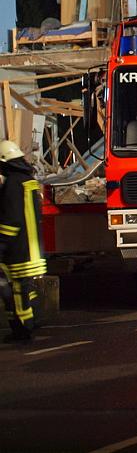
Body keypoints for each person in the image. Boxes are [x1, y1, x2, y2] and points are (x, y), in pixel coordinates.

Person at [0, 140, 46, 343]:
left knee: (19, 290)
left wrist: (2, 242)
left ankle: (23, 329)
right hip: (32, 246)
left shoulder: (12, 184)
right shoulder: (28, 180)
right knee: (27, 288)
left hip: (18, 248)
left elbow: (12, 218)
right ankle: (34, 320)